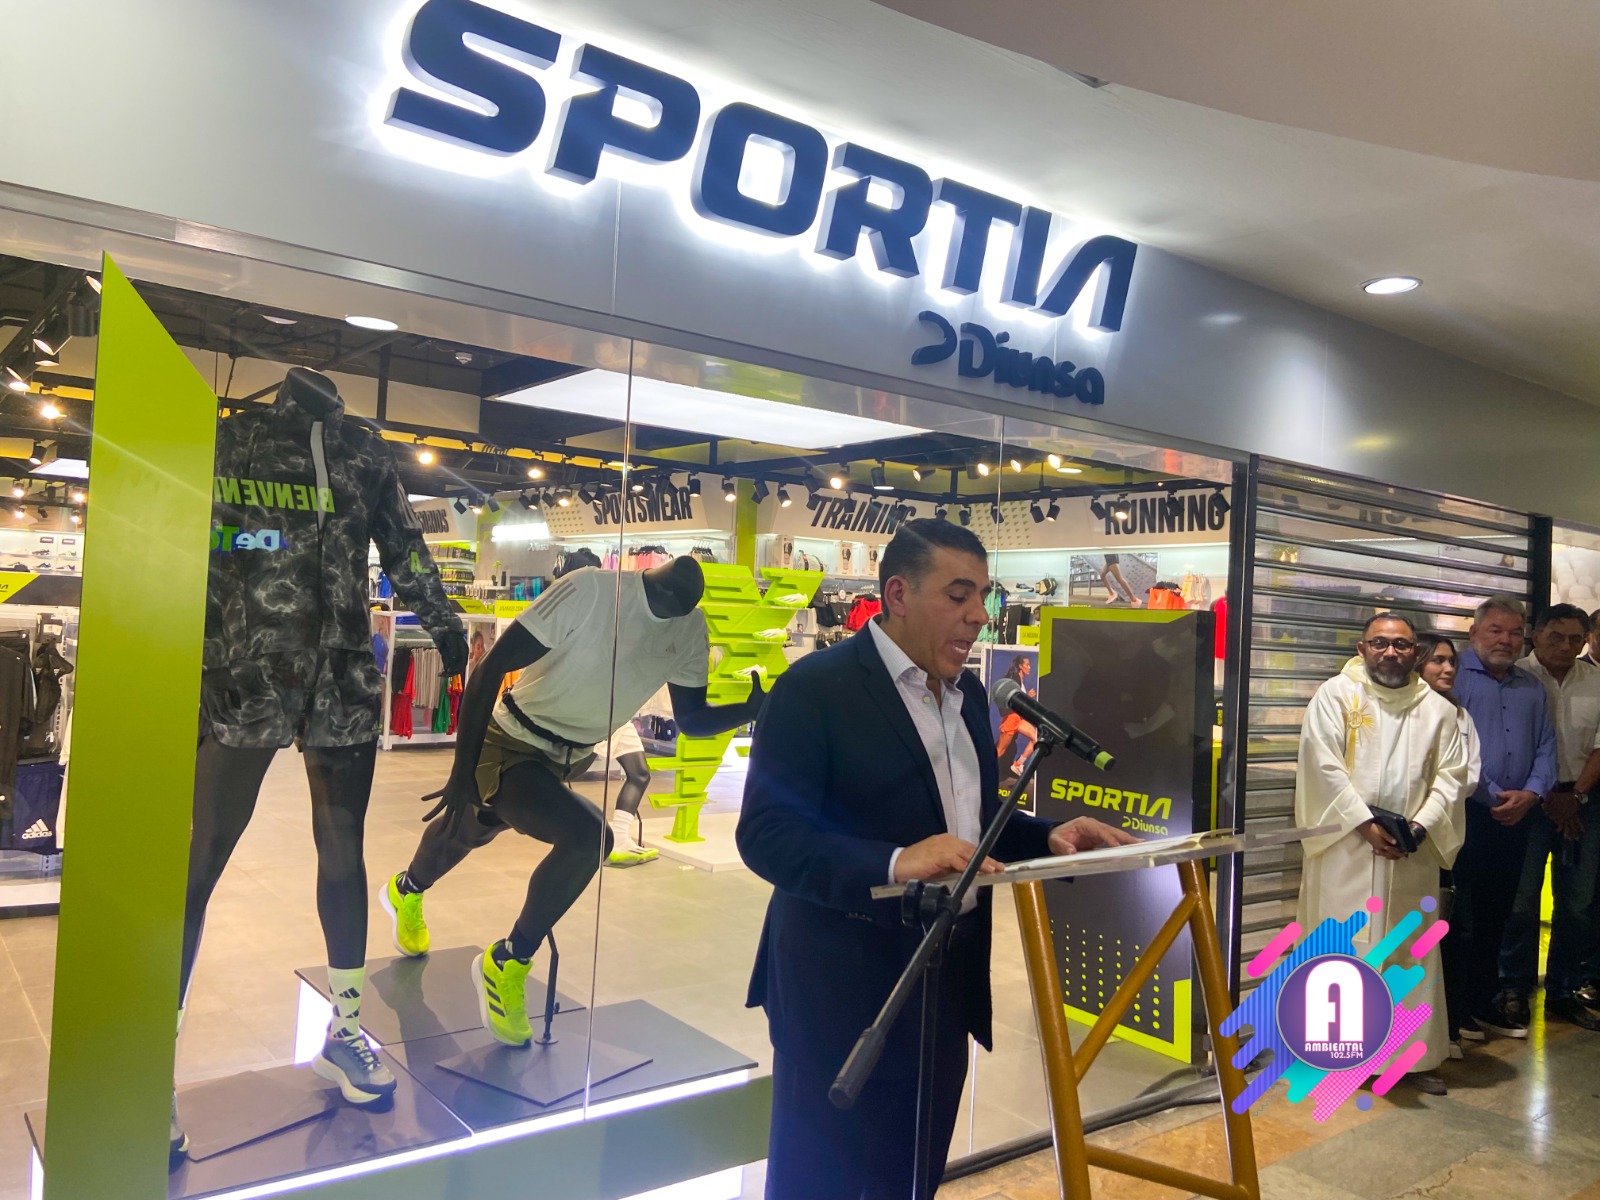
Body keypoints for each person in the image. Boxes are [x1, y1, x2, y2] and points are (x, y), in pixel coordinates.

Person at [737, 519, 1136, 1200]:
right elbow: (767, 835)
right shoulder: (814, 688)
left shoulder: (969, 695)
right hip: (841, 989)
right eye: (958, 595)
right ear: (897, 594)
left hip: (946, 985)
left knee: (913, 1175)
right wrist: (895, 861)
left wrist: (1048, 837)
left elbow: (969, 821)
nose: (979, 614)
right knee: (818, 1180)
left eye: (982, 594)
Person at [380, 557, 763, 1045]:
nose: (680, 615)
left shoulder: (689, 628)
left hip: (571, 756)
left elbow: (691, 719)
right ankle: (504, 958)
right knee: (582, 838)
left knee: (477, 828)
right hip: (511, 739)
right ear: (660, 589)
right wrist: (461, 768)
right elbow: (491, 666)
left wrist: (748, 710)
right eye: (675, 606)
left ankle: (411, 891)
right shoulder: (590, 590)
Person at [1294, 614, 1468, 1095]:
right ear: (1362, 648)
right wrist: (1365, 825)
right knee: (1343, 950)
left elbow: (1451, 777)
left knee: (1410, 951)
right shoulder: (1336, 696)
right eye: (1379, 643)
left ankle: (1411, 1059)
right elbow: (1322, 766)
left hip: (1410, 853)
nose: (1390, 652)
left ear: (1415, 652)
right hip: (1346, 849)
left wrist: (1419, 826)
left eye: (1401, 645)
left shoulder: (1437, 710)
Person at [1452, 596, 1557, 1038]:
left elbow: (1547, 746)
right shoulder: (1453, 678)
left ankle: (1484, 1000)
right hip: (1468, 814)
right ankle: (1454, 1010)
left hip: (1519, 818)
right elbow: (1452, 751)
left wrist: (1531, 793)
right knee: (1461, 917)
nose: (1506, 640)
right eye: (1496, 630)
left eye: (1515, 632)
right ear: (1474, 633)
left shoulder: (1532, 686)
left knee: (1500, 912)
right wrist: (1494, 795)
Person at [1501, 604, 1600, 1029]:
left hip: (1583, 801)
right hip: (1528, 802)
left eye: (1575, 638)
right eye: (1556, 636)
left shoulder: (1596, 681)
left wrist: (1574, 797)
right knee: (1521, 901)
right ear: (1536, 636)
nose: (1565, 646)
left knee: (1577, 903)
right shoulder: (1514, 678)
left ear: (1585, 641)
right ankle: (1513, 988)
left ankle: (1562, 989)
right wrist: (1546, 797)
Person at [1415, 633, 1481, 1059]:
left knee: (1451, 933)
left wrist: (1427, 810)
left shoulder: (1459, 715)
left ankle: (1447, 1028)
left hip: (1443, 838)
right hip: (1401, 842)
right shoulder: (1403, 711)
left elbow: (1467, 776)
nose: (1448, 668)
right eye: (1437, 660)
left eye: (1451, 661)